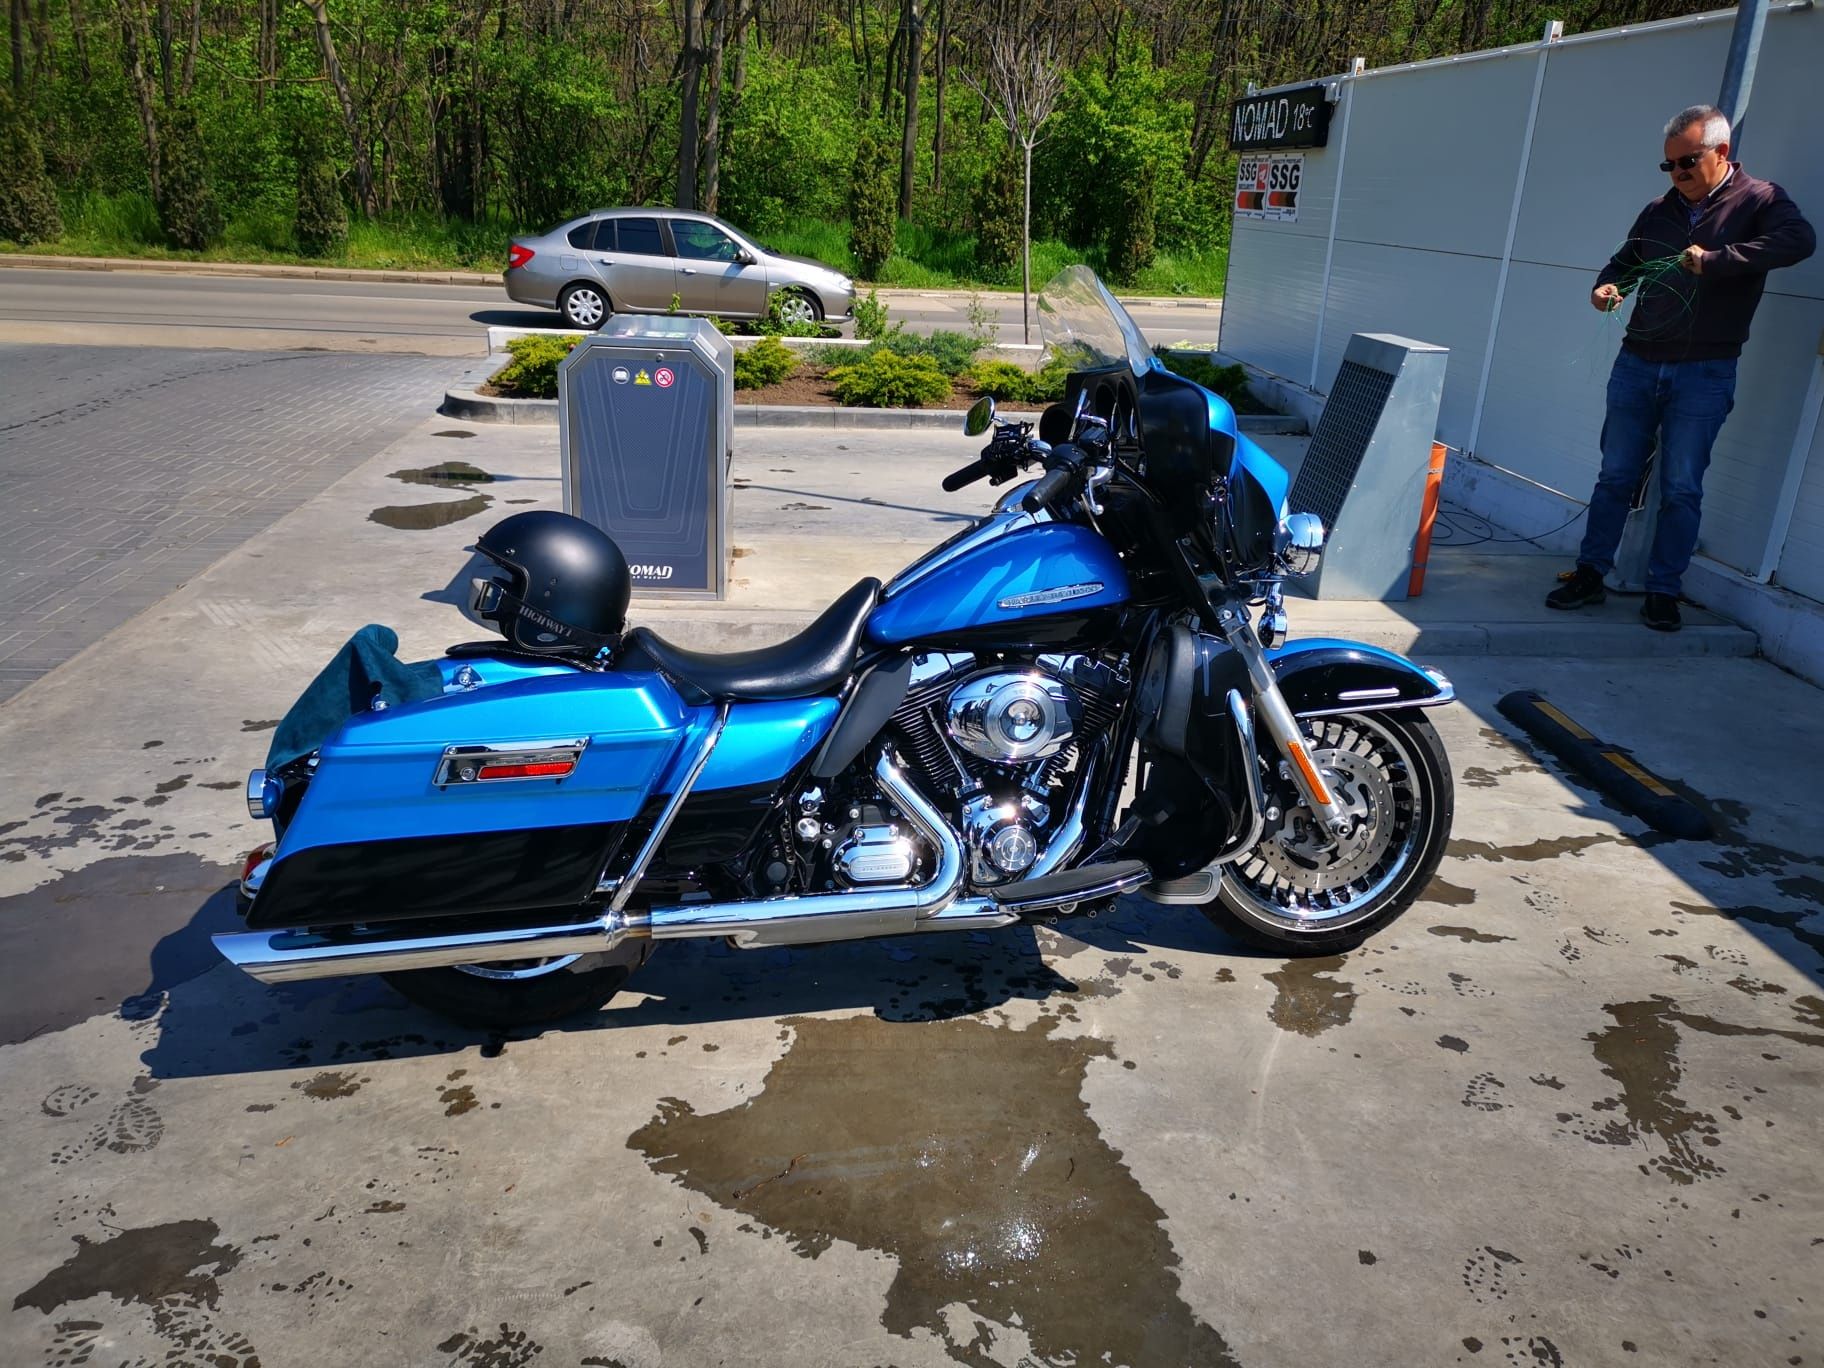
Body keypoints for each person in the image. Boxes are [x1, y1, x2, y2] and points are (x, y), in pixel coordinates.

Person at [1546, 104, 1814, 631]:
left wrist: (1717, 261)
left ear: (1721, 152)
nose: (1678, 174)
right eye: (1668, 165)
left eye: (1687, 162)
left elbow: (1799, 242)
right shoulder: (1658, 211)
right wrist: (1607, 288)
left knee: (1682, 485)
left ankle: (1664, 589)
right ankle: (1590, 573)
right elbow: (1624, 263)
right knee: (1615, 475)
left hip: (1705, 370)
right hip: (1638, 363)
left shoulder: (1760, 200)